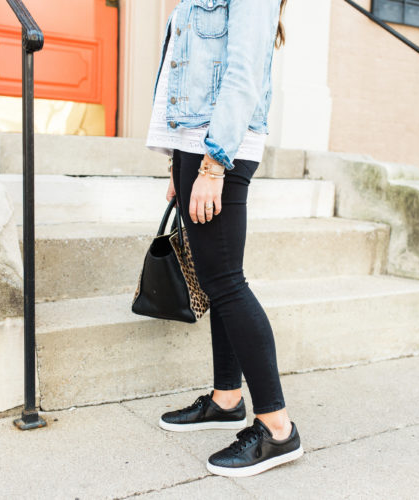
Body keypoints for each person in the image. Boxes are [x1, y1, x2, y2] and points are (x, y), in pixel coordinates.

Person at [145, 0, 303, 477]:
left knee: (228, 283)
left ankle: (277, 430)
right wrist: (178, 161)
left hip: (220, 146)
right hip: (195, 144)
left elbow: (244, 71)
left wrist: (213, 164)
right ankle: (226, 398)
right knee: (219, 279)